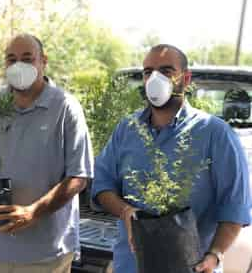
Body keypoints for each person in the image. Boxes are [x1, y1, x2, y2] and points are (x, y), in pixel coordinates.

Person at [91, 44, 251, 273]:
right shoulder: (127, 129)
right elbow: (102, 184)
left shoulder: (215, 133)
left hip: (190, 266)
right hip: (131, 265)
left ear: (185, 79)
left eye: (166, 71)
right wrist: (125, 211)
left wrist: (214, 255)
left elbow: (235, 207)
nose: (155, 78)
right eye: (148, 72)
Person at [0, 33, 93, 273]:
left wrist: (33, 212)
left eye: (27, 58)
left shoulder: (65, 108)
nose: (18, 65)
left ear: (43, 61)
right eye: (11, 59)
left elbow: (78, 176)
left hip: (44, 252)